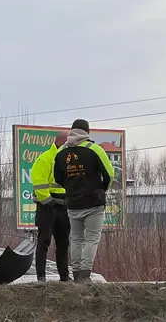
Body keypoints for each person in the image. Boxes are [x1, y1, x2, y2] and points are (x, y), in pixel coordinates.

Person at [53, 119, 114, 282]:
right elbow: (109, 174)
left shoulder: (61, 152)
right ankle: (85, 275)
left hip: (72, 203)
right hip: (93, 202)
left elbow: (57, 178)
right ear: (88, 132)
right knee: (92, 238)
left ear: (72, 131)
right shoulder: (94, 149)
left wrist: (71, 188)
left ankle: (76, 273)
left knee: (76, 238)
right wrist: (102, 188)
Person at [31, 130, 71, 282]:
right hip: (47, 207)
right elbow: (39, 184)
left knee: (63, 243)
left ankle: (64, 277)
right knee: (44, 241)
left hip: (64, 207)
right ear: (61, 143)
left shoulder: (68, 160)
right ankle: (41, 278)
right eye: (69, 143)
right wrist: (49, 202)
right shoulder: (45, 159)